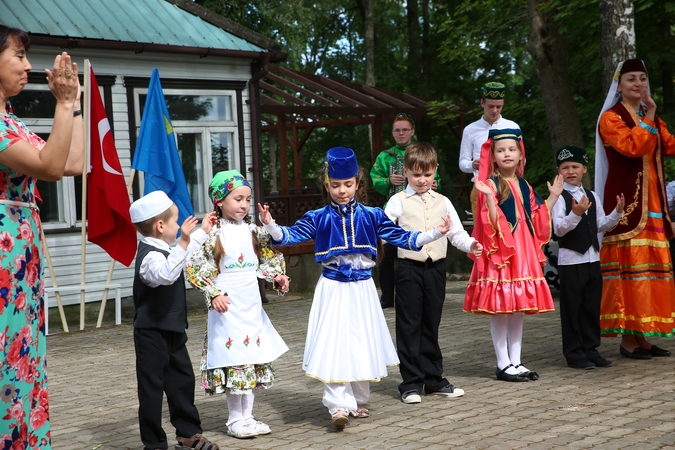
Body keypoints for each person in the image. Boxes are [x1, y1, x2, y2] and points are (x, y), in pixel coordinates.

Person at [258, 146, 451, 428]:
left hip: (362, 289)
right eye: (335, 185)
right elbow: (289, 236)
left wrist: (435, 233)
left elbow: (403, 237)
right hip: (334, 288)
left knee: (361, 340)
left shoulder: (372, 215)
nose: (342, 191)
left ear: (358, 183)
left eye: (348, 184)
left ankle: (357, 401)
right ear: (327, 185)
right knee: (335, 342)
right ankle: (338, 406)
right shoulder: (319, 216)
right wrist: (271, 225)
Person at [0, 25, 83, 447]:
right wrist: (63, 105)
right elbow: (49, 168)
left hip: (21, 259)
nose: (28, 66)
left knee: (25, 356)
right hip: (3, 259)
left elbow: (73, 162)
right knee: (6, 359)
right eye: (18, 56)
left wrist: (76, 106)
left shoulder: (10, 121)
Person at [186, 170, 290, 439]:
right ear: (220, 201)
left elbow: (267, 258)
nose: (243, 205)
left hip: (251, 305)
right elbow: (197, 267)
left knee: (252, 358)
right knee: (235, 360)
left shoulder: (254, 231)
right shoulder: (212, 233)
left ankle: (249, 416)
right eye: (237, 199)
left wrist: (277, 275)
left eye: (247, 199)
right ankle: (234, 419)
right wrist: (214, 293)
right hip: (227, 306)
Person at [384, 142, 483, 404]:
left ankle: (434, 379)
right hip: (408, 269)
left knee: (431, 323)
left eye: (427, 175)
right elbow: (384, 232)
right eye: (416, 175)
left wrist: (471, 244)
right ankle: (410, 383)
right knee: (408, 325)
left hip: (436, 269)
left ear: (435, 172)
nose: (422, 180)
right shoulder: (397, 201)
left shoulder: (443, 201)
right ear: (405, 172)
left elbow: (456, 233)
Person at [464, 129, 563, 382]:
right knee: (500, 308)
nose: (506, 154)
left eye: (512, 149)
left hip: (523, 251)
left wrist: (552, 197)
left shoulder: (524, 184)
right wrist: (488, 199)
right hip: (502, 251)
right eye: (500, 150)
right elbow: (492, 223)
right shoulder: (490, 185)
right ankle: (502, 363)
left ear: (520, 155)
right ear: (493, 156)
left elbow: (537, 216)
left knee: (517, 308)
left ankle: (516, 361)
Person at [595, 58, 675, 359]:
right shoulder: (611, 118)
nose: (639, 84)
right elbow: (634, 147)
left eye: (642, 77)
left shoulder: (647, 116)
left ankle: (645, 336)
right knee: (630, 273)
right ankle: (629, 340)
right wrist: (650, 116)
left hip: (653, 205)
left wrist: (651, 118)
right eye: (631, 79)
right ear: (619, 85)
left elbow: (668, 145)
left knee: (651, 274)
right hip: (626, 207)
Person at [129, 191, 219, 450]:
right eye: (175, 222)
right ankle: (154, 443)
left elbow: (183, 255)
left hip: (173, 330)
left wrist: (201, 231)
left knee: (182, 381)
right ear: (160, 226)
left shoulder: (167, 249)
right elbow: (166, 274)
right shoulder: (149, 256)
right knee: (151, 389)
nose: (179, 227)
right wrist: (183, 242)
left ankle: (188, 432)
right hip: (151, 333)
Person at [552, 145, 624, 369]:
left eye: (575, 166)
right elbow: (558, 230)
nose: (570, 171)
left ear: (584, 168)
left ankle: (591, 349)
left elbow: (600, 225)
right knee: (572, 308)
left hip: (593, 259)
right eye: (565, 167)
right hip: (571, 261)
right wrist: (575, 214)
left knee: (591, 307)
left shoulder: (593, 196)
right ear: (559, 171)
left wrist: (618, 212)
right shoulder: (559, 197)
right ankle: (574, 353)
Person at [370, 113, 442, 309]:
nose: (401, 133)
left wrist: (435, 184)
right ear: (392, 133)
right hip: (394, 211)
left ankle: (418, 294)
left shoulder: (422, 152)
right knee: (387, 255)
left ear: (412, 131)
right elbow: (375, 179)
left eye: (404, 129)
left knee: (417, 252)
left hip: (420, 209)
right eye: (397, 130)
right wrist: (388, 181)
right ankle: (387, 296)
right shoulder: (385, 156)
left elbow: (438, 178)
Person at [458, 82, 520, 219]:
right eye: (490, 106)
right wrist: (472, 164)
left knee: (511, 228)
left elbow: (522, 159)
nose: (495, 110)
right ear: (482, 103)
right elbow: (462, 163)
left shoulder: (513, 127)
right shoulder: (470, 130)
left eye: (499, 107)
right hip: (481, 185)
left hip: (508, 184)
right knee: (483, 231)